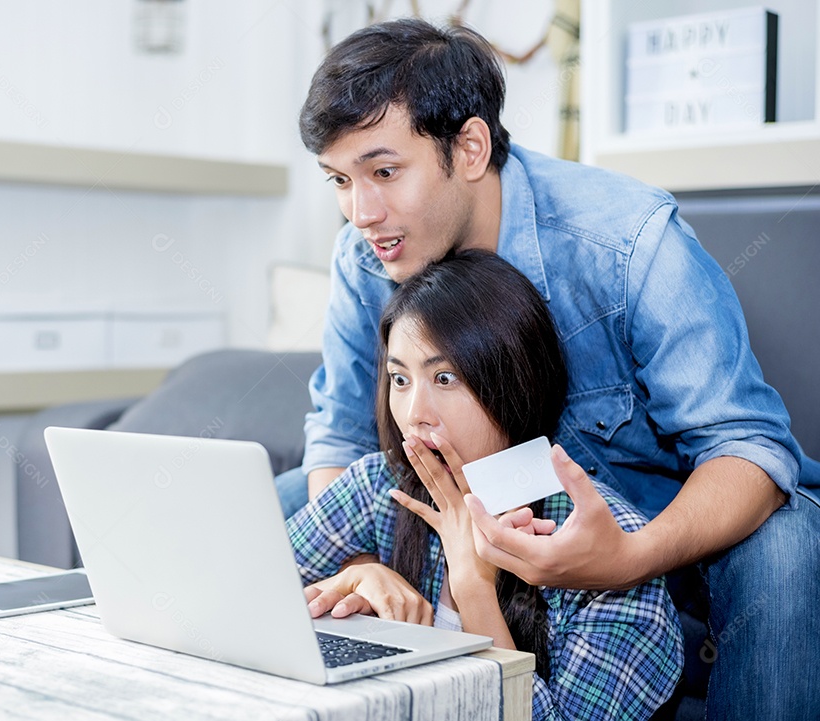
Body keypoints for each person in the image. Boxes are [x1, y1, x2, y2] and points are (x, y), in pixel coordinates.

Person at [275, 17, 820, 721]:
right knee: (287, 492)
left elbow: (750, 448)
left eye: (384, 172)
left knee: (788, 546)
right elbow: (343, 434)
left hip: (658, 540)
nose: (361, 212)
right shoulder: (365, 255)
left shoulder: (628, 245)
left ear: (469, 146)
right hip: (475, 518)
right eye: (339, 181)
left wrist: (628, 556)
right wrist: (356, 567)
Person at [287, 251, 683, 719]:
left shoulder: (608, 552)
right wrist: (357, 573)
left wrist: (474, 589)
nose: (415, 412)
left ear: (516, 381)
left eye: (445, 377)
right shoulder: (381, 484)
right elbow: (235, 593)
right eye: (399, 378)